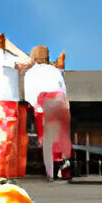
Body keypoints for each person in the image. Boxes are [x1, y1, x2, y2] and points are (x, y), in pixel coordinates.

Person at [0, 34, 31, 181]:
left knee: (5, 140)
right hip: (4, 101)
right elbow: (27, 60)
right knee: (4, 140)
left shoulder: (3, 58)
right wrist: (10, 46)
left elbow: (27, 63)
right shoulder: (0, 57)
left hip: (7, 100)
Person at [25, 46, 72, 180]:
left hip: (44, 104)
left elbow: (30, 93)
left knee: (46, 138)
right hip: (59, 102)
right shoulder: (54, 70)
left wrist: (35, 107)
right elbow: (62, 88)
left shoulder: (30, 72)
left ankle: (51, 171)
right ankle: (64, 164)